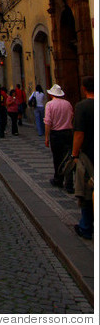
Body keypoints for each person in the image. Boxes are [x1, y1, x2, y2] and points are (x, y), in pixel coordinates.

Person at [71, 76, 94, 239]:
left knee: (86, 191)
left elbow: (79, 133)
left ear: (84, 89)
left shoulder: (81, 107)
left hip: (88, 154)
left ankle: (86, 227)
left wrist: (74, 154)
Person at [44, 83, 74, 191]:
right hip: (67, 133)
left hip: (56, 134)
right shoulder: (68, 104)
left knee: (57, 158)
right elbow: (71, 116)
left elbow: (48, 122)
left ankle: (59, 179)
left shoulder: (50, 105)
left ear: (52, 94)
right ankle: (69, 183)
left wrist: (46, 137)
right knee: (68, 157)